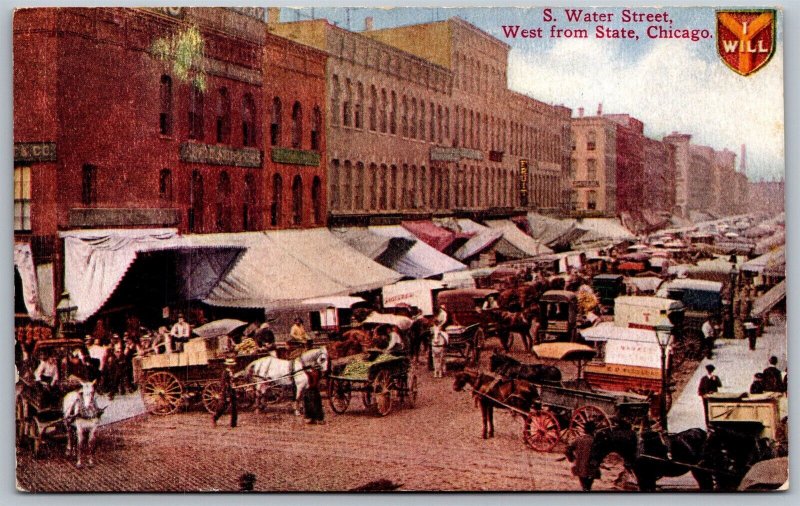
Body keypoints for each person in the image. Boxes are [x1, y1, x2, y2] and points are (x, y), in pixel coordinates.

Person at [566, 420, 600, 491]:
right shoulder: (595, 441)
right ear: (594, 430)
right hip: (591, 468)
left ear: (584, 430)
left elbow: (568, 449)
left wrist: (572, 459)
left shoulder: (578, 439)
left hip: (580, 467)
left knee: (583, 484)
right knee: (588, 486)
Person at [212, 358, 238, 428]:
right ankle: (215, 418)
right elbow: (224, 384)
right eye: (230, 365)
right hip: (226, 391)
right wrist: (227, 395)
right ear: (228, 365)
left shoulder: (231, 372)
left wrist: (235, 385)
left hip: (232, 390)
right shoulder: (225, 373)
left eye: (232, 365)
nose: (232, 366)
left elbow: (232, 381)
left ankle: (233, 424)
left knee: (234, 407)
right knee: (223, 407)